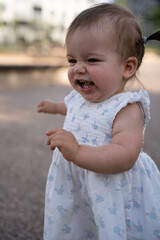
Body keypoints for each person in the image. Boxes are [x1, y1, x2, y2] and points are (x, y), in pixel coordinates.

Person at [37, 3, 160, 240]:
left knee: (108, 227)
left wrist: (79, 151)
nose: (78, 69)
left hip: (110, 189)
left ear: (127, 67)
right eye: (72, 60)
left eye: (92, 60)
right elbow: (74, 108)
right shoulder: (81, 97)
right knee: (79, 225)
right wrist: (54, 108)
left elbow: (125, 155)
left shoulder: (126, 109)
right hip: (77, 185)